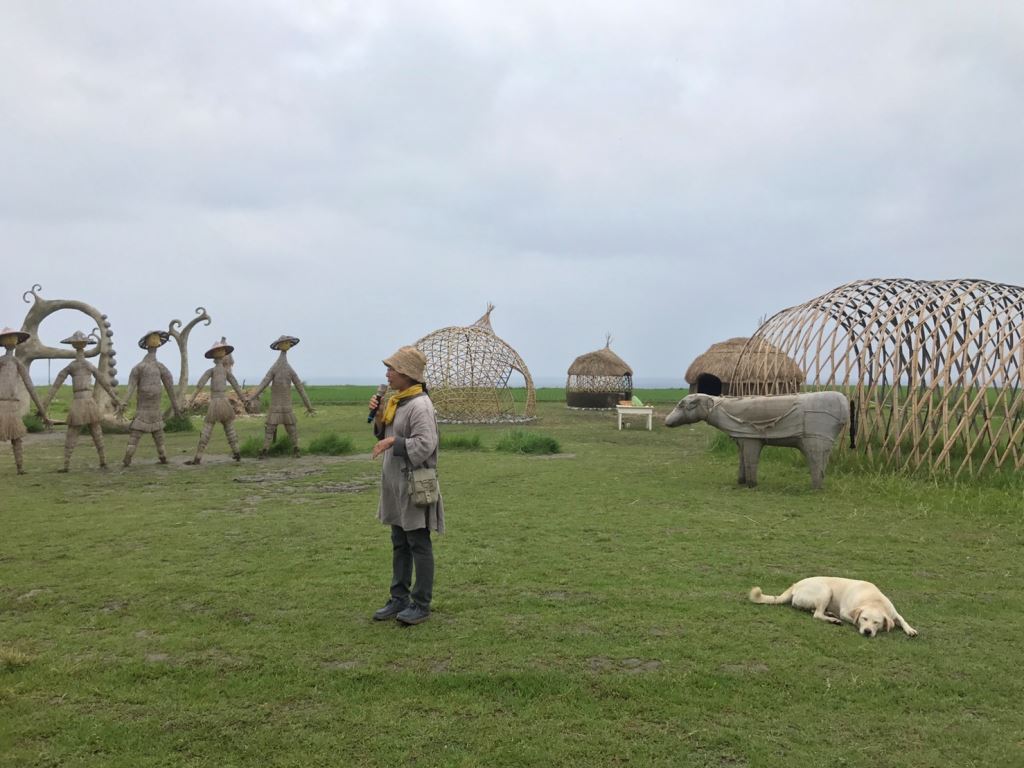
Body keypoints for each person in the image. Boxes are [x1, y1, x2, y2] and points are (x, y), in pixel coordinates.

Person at [369, 345, 444, 626]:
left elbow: (425, 444)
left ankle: (421, 603)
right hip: (395, 483)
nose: (387, 374)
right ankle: (398, 598)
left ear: (406, 374)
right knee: (399, 541)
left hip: (415, 484)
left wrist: (392, 442)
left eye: (392, 369)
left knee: (418, 542)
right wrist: (378, 419)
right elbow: (385, 430)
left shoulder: (420, 405)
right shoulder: (397, 401)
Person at [41, 331, 121, 471]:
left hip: (87, 401)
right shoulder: (73, 366)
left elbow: (104, 382)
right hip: (80, 402)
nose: (78, 345)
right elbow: (56, 386)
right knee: (75, 433)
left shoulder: (86, 366)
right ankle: (67, 464)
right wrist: (44, 405)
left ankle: (102, 461)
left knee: (95, 432)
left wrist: (116, 399)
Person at [246, 335, 315, 457]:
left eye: (288, 343)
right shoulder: (275, 368)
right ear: (279, 345)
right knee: (270, 428)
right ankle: (265, 450)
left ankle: (296, 449)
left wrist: (308, 406)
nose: (286, 345)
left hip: (286, 404)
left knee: (291, 428)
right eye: (284, 343)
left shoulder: (289, 369)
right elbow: (264, 383)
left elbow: (300, 387)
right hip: (276, 405)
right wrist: (251, 397)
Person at [121, 330, 182, 467]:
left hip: (154, 410)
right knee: (138, 436)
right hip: (143, 409)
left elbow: (170, 389)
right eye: (152, 339)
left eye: (156, 339)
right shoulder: (140, 368)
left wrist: (176, 407)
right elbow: (130, 387)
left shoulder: (159, 368)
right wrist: (123, 402)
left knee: (158, 436)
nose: (155, 342)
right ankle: (128, 458)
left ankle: (162, 456)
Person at [183, 339, 246, 465]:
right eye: (218, 350)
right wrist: (191, 400)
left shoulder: (224, 371)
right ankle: (199, 457)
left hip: (221, 402)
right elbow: (199, 385)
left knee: (226, 429)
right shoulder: (211, 371)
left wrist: (244, 399)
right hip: (217, 402)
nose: (220, 352)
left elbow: (235, 385)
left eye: (221, 350)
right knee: (212, 429)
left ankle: (236, 453)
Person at [0, 327, 50, 475]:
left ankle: (20, 468)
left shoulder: (17, 363)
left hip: (13, 407)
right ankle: (20, 468)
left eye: (13, 338)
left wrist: (42, 411)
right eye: (7, 338)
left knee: (17, 438)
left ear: (16, 342)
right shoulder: (2, 362)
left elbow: (30, 386)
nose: (10, 341)